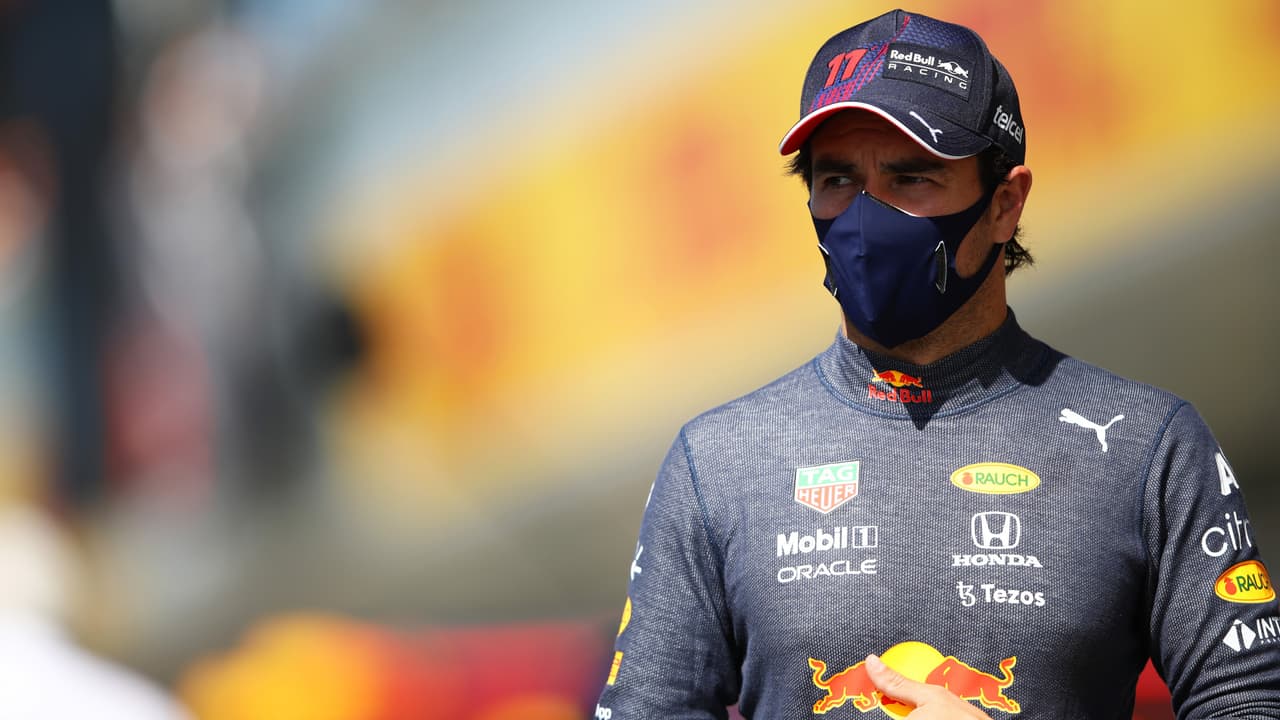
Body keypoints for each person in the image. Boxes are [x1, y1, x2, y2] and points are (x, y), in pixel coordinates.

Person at [594, 8, 1280, 719]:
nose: (865, 217)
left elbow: (1250, 702)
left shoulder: (1147, 443)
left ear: (1005, 204)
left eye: (911, 178)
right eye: (837, 180)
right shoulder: (718, 461)